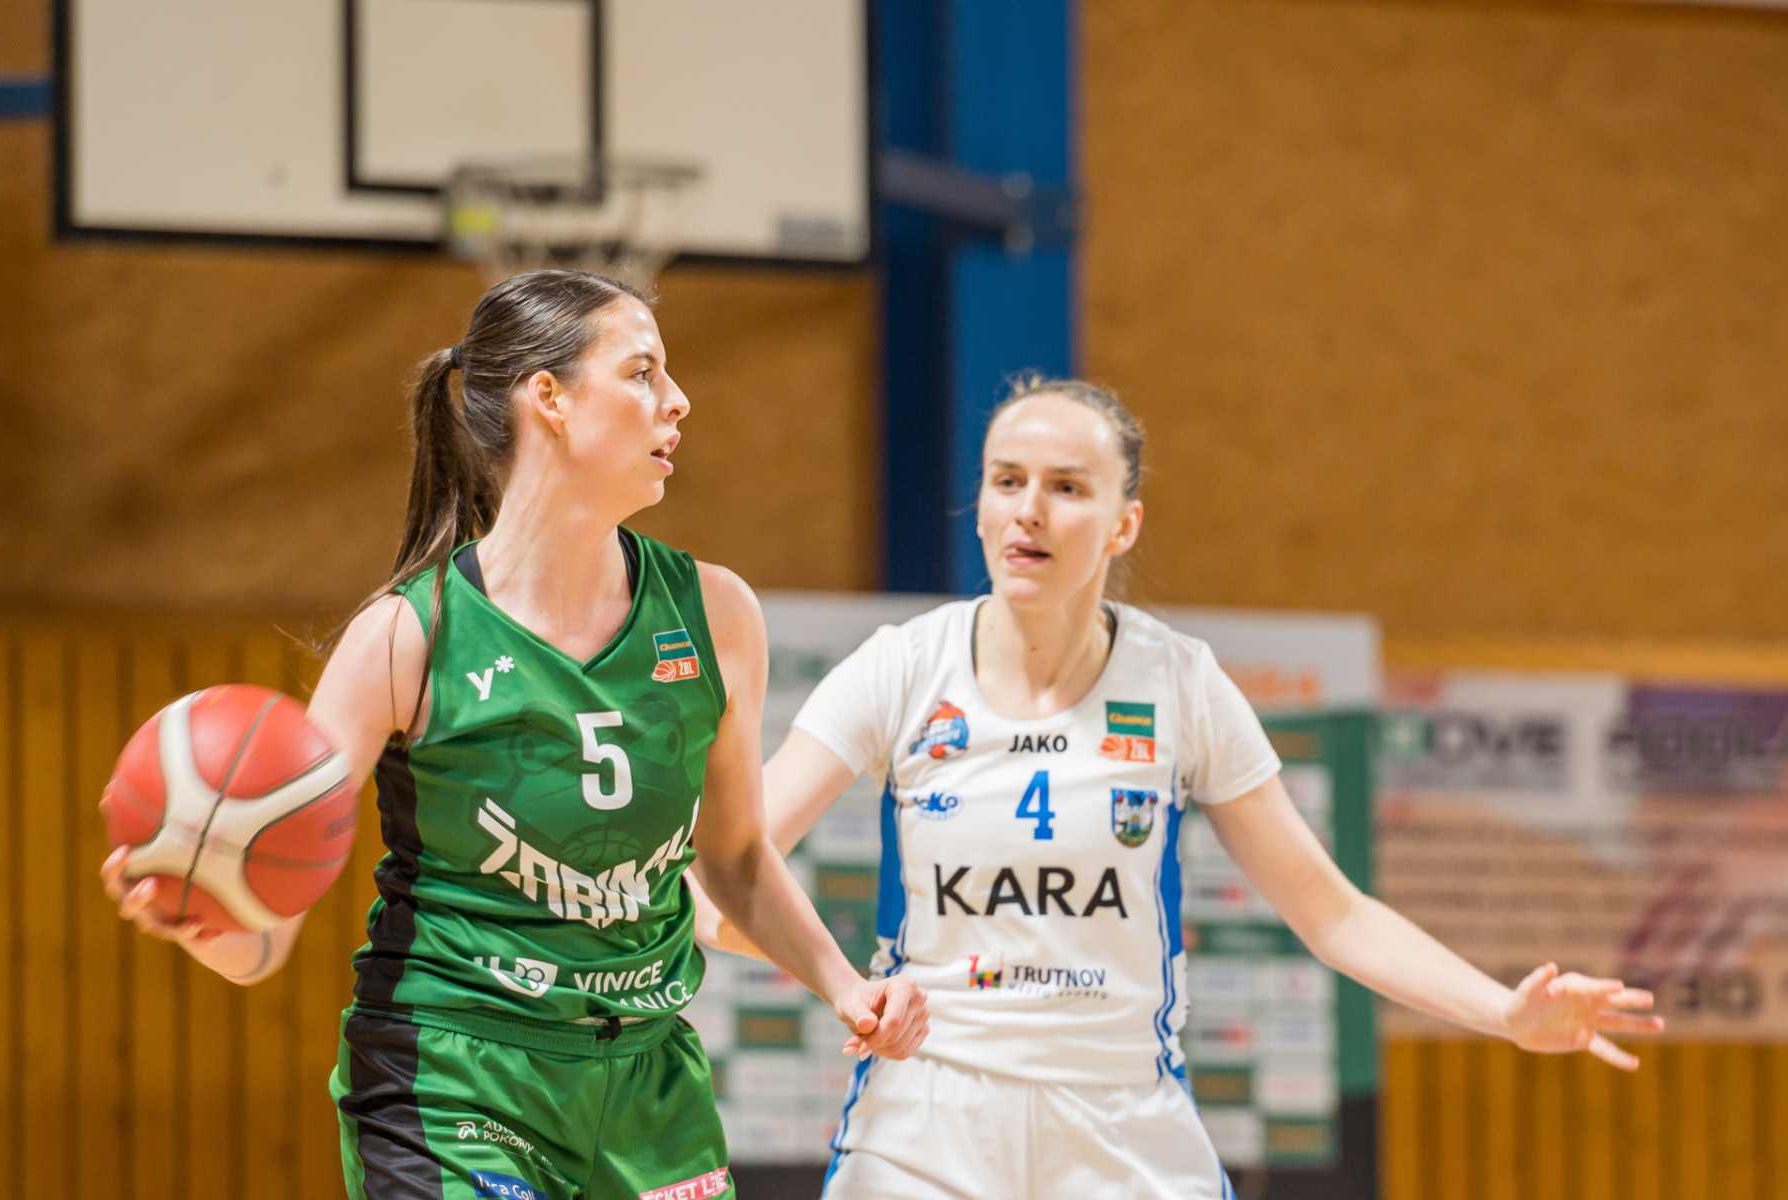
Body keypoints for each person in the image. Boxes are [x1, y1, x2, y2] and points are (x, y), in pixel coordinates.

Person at [694, 375, 1664, 1199]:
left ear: (1124, 524)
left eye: (1067, 487)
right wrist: (845, 983)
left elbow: (1333, 914)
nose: (1029, 510)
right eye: (1007, 481)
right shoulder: (901, 667)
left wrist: (1503, 1013)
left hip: (1123, 1123)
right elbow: (723, 875)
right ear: (981, 505)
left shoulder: (1179, 683)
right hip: (927, 1117)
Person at [99, 269, 927, 1200]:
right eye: (642, 372)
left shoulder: (716, 615)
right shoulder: (407, 637)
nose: (678, 400)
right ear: (550, 399)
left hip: (647, 1084)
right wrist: (203, 913)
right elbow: (265, 937)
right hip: (455, 1078)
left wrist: (846, 987)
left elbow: (734, 859)